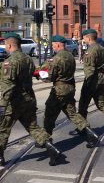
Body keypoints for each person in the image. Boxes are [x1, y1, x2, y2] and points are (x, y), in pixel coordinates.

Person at [0, 32, 63, 166]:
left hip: (14, 102)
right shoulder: (28, 59)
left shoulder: (9, 62)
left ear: (9, 45)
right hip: (28, 99)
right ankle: (52, 148)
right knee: (33, 127)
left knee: (3, 128)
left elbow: (7, 87)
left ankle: (0, 157)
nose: (5, 47)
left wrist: (1, 107)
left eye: (5, 45)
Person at [41, 35, 99, 148]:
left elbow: (50, 77)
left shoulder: (56, 58)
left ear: (58, 44)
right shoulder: (70, 56)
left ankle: (45, 139)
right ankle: (90, 133)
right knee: (72, 113)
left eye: (53, 45)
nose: (52, 47)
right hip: (70, 88)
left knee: (49, 114)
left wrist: (41, 76)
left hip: (59, 90)